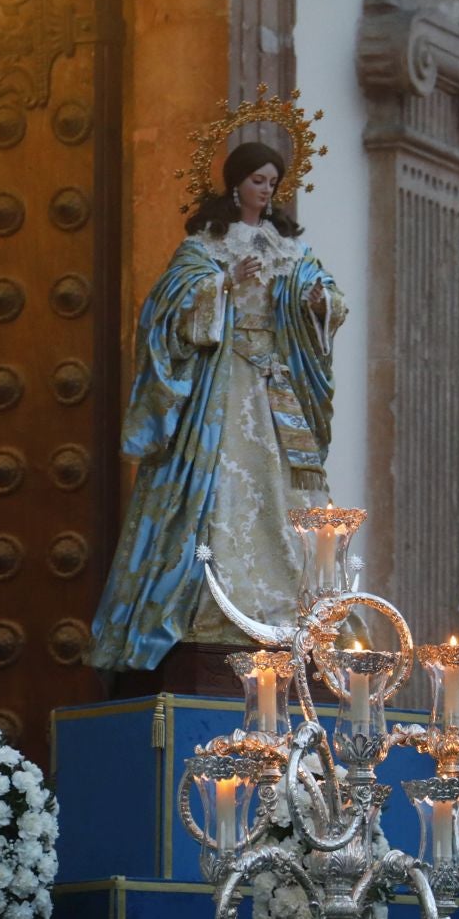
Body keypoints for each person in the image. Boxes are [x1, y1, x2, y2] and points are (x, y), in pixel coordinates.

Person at [89, 140, 345, 672]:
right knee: (221, 486)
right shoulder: (205, 246)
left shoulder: (290, 249)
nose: (266, 189)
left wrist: (321, 304)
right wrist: (224, 285)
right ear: (236, 184)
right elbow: (167, 307)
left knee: (287, 493)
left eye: (273, 181)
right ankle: (212, 606)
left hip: (275, 383)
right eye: (257, 179)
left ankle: (293, 609)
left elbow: (325, 295)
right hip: (224, 386)